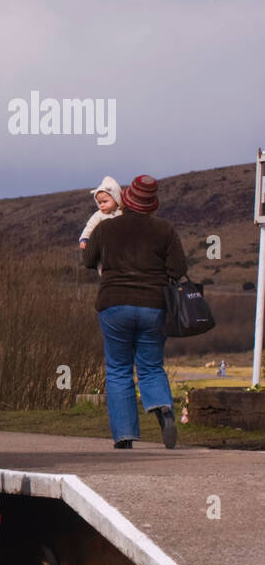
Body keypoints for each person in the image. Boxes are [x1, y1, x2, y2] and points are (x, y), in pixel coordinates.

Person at [82, 175, 186, 449]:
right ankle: (162, 406)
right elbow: (178, 269)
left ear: (125, 201)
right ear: (152, 205)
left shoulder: (106, 229)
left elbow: (88, 260)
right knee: (151, 366)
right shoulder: (165, 229)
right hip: (154, 306)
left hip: (114, 304)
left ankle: (125, 436)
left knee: (118, 369)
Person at [78, 176, 123, 250]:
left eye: (105, 201)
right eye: (99, 203)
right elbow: (90, 227)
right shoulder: (98, 215)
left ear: (116, 198)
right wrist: (84, 238)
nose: (102, 205)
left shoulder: (122, 212)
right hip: (104, 246)